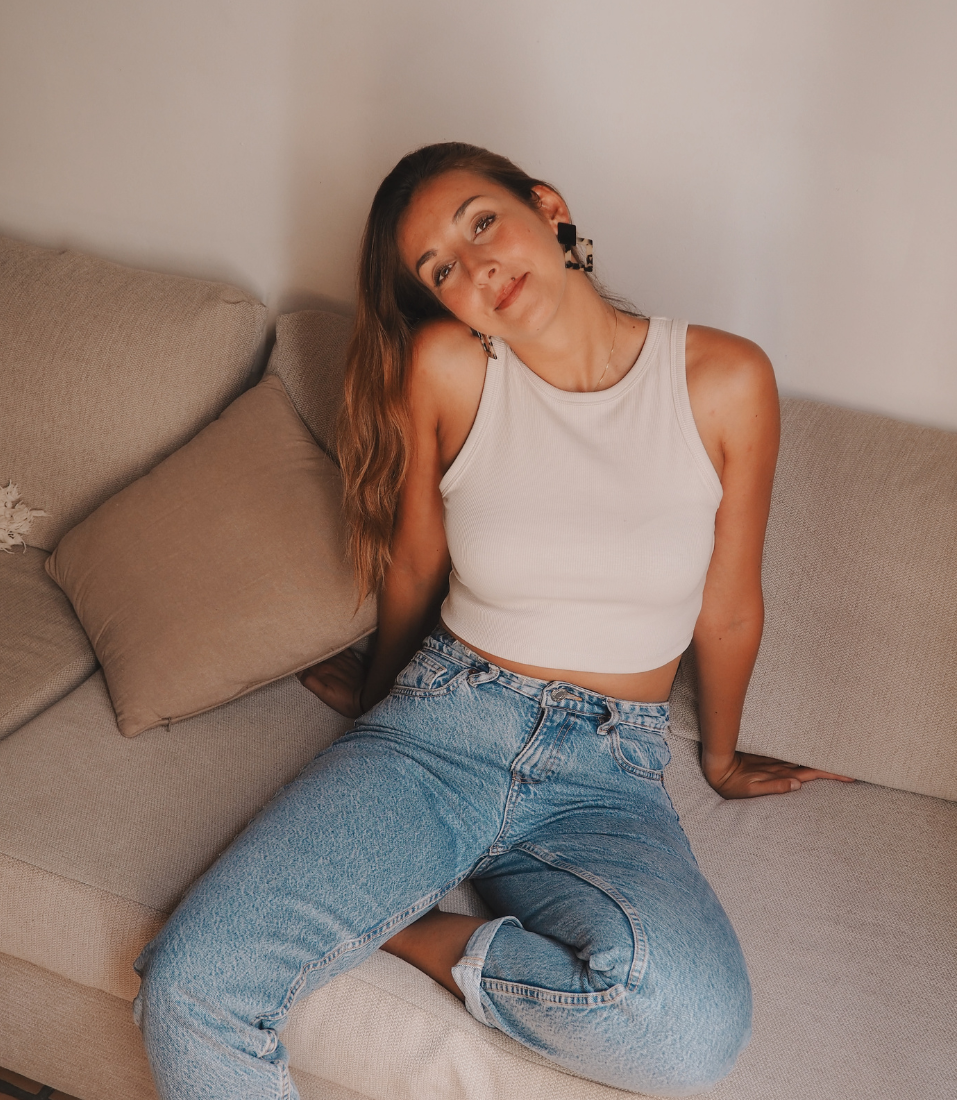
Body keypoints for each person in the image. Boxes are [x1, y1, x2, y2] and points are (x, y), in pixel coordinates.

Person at [134, 143, 853, 1099]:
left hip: (609, 772)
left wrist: (719, 759)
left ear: (547, 208)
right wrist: (380, 696)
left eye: (481, 223)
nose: (475, 268)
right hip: (444, 726)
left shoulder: (723, 377)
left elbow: (727, 607)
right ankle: (366, 903)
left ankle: (406, 929)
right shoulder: (448, 367)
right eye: (440, 269)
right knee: (193, 986)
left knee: (687, 1031)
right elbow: (416, 564)